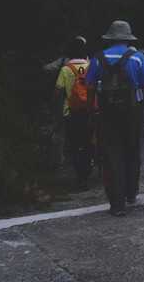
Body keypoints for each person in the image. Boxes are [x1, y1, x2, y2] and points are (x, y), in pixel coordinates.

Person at [85, 20, 144, 217]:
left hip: (107, 113)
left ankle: (117, 203)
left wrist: (91, 110)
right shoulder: (137, 58)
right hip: (132, 111)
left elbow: (90, 86)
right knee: (131, 150)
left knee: (112, 154)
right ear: (127, 38)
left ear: (110, 38)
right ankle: (131, 192)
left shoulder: (98, 58)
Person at [51, 36, 91, 188]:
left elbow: (57, 92)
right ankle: (88, 169)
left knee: (76, 144)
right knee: (88, 141)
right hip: (88, 110)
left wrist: (52, 107)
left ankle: (81, 177)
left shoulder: (66, 69)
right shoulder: (89, 68)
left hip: (70, 111)